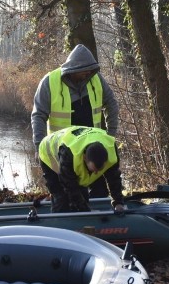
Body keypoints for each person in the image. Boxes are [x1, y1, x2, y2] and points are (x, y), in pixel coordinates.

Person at [31, 44, 119, 199]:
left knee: (100, 196)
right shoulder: (50, 82)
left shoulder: (96, 80)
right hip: (63, 155)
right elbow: (38, 116)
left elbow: (111, 104)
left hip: (92, 151)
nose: (87, 74)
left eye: (90, 71)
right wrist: (39, 147)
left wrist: (110, 137)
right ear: (73, 69)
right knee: (66, 198)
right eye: (84, 71)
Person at [38, 126, 125, 214]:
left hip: (81, 139)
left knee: (83, 193)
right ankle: (59, 220)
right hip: (48, 153)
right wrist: (85, 210)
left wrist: (118, 202)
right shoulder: (69, 155)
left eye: (100, 170)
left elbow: (114, 178)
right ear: (84, 158)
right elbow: (69, 186)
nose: (96, 173)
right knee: (61, 197)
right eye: (93, 170)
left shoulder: (111, 151)